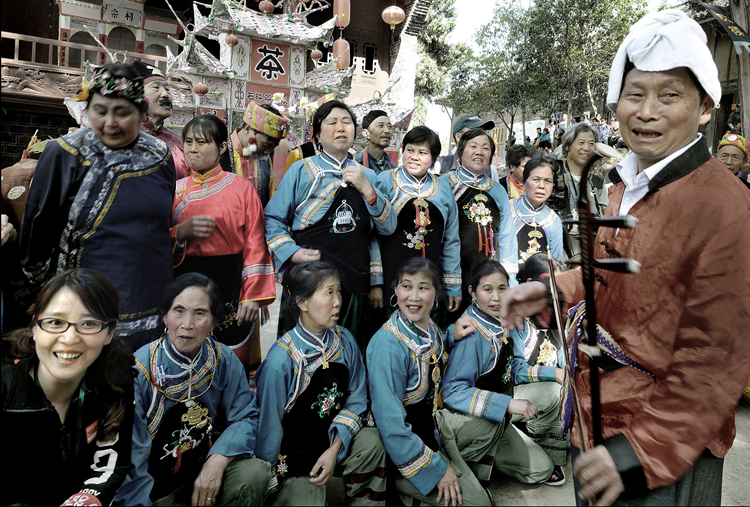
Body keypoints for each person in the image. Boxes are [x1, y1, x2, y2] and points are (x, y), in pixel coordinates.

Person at [501, 10, 750, 506]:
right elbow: (612, 278)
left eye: (669, 96)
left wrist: (642, 451)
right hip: (597, 416)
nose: (647, 112)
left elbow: (714, 357)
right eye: (635, 95)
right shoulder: (626, 183)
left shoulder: (724, 206)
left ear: (704, 107)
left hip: (660, 440)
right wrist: (553, 291)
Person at [19, 63, 176, 352]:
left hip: (150, 295)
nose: (110, 122)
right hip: (83, 301)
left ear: (142, 113)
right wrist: (41, 299)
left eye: (122, 112)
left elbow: (159, 225)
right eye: (100, 111)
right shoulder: (66, 153)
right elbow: (37, 232)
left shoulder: (160, 155)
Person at [116, 273, 271, 506]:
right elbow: (131, 454)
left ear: (214, 322)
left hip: (204, 475)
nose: (187, 324)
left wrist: (218, 459)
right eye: (178, 310)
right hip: (155, 490)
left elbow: (246, 417)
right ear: (165, 315)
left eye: (200, 313)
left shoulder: (222, 359)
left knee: (253, 474)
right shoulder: (140, 370)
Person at [264, 99, 396, 350]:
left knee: (348, 354)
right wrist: (290, 252)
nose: (341, 128)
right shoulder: (301, 170)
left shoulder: (368, 175)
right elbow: (273, 218)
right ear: (316, 134)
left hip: (355, 284)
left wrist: (367, 188)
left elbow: (386, 228)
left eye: (347, 122)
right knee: (302, 353)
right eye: (332, 122)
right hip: (309, 281)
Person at [367, 258, 496, 506]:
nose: (413, 297)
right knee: (479, 504)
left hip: (430, 430)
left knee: (493, 420)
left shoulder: (426, 327)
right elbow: (391, 426)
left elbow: (428, 354)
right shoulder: (388, 346)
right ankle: (403, 491)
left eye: (423, 288)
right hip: (400, 451)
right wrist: (437, 470)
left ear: (436, 294)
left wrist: (450, 336)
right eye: (406, 286)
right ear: (396, 289)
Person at [255, 261, 386, 505]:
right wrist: (267, 478)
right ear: (302, 302)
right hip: (296, 457)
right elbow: (269, 429)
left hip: (335, 442)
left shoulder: (344, 339)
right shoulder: (281, 361)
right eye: (329, 293)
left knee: (373, 443)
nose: (338, 302)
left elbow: (356, 398)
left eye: (339, 292)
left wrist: (334, 449)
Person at [2, 268, 134, 506]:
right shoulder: (5, 390)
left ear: (110, 332)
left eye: (89, 323)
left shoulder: (114, 382)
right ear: (34, 327)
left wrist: (87, 499)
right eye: (55, 322)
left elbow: (110, 464)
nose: (70, 338)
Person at [171, 114, 275, 377]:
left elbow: (255, 241)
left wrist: (251, 294)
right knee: (185, 358)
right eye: (189, 142)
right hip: (184, 280)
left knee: (229, 363)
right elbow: (155, 241)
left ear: (222, 147)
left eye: (202, 142)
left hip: (230, 282)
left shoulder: (242, 189)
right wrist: (180, 233)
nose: (193, 149)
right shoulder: (175, 190)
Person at [441, 260, 557, 487]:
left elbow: (516, 369)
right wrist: (507, 405)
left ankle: (498, 450)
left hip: (500, 410)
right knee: (538, 468)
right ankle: (473, 457)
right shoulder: (471, 332)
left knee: (554, 391)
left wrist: (557, 373)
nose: (496, 297)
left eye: (502, 288)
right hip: (474, 420)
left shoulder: (503, 320)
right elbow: (453, 392)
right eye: (487, 289)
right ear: (472, 292)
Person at [372, 126, 462, 322]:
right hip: (392, 277)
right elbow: (372, 235)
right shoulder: (385, 181)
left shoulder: (443, 187)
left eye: (422, 152)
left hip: (430, 278)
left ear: (434, 158)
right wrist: (375, 281)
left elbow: (451, 239)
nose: (414, 157)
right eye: (410, 150)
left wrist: (453, 285)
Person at [443, 127, 518, 315]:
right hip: (451, 274)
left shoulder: (498, 191)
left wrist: (509, 282)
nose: (479, 152)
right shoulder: (445, 184)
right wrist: (450, 283)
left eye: (486, 148)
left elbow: (507, 237)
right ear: (460, 151)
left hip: (487, 278)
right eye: (473, 146)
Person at [511, 254, 569, 484]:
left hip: (541, 395)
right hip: (512, 395)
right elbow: (516, 371)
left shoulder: (553, 314)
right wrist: (554, 374)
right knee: (555, 390)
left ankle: (550, 449)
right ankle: (534, 441)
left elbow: (563, 357)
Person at [547, 122, 608, 260]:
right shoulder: (552, 177)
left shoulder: (598, 183)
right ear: (568, 145)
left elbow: (605, 220)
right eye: (581, 142)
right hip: (558, 252)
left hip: (590, 254)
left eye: (591, 144)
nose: (586, 148)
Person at [134, 61, 188, 180]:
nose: (165, 94)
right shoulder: (126, 139)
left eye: (167, 89)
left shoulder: (180, 143)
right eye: (156, 87)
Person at [230, 101, 289, 207]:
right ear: (248, 129)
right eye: (265, 145)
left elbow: (270, 199)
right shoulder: (220, 151)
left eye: (272, 148)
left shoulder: (265, 158)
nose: (267, 152)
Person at [510, 156, 564, 263]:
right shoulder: (509, 209)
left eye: (548, 181)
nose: (542, 186)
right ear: (523, 183)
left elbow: (556, 264)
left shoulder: (553, 220)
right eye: (536, 179)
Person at [354, 110, 396, 174]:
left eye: (389, 126)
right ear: (366, 133)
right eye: (381, 125)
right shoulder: (355, 162)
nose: (387, 130)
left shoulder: (393, 169)